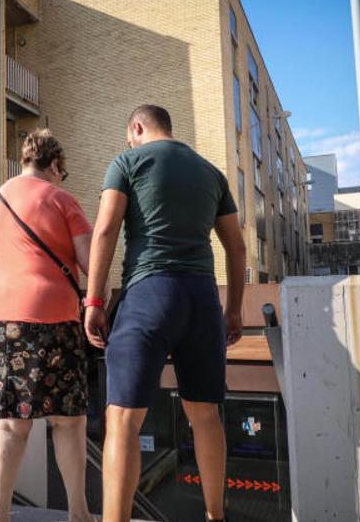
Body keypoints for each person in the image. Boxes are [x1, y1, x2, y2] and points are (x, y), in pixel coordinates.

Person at [83, 105, 246, 522]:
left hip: (149, 293)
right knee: (205, 413)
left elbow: (105, 230)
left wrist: (94, 302)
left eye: (130, 135)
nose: (130, 142)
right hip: (202, 299)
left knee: (122, 418)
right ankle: (215, 515)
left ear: (136, 127)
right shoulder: (212, 173)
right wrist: (233, 311)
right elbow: (236, 247)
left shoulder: (127, 161)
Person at [0, 129, 94, 522]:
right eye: (62, 172)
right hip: (48, 316)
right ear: (55, 165)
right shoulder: (61, 198)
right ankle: (79, 515)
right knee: (67, 421)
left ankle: (0, 516)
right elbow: (91, 263)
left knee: (8, 424)